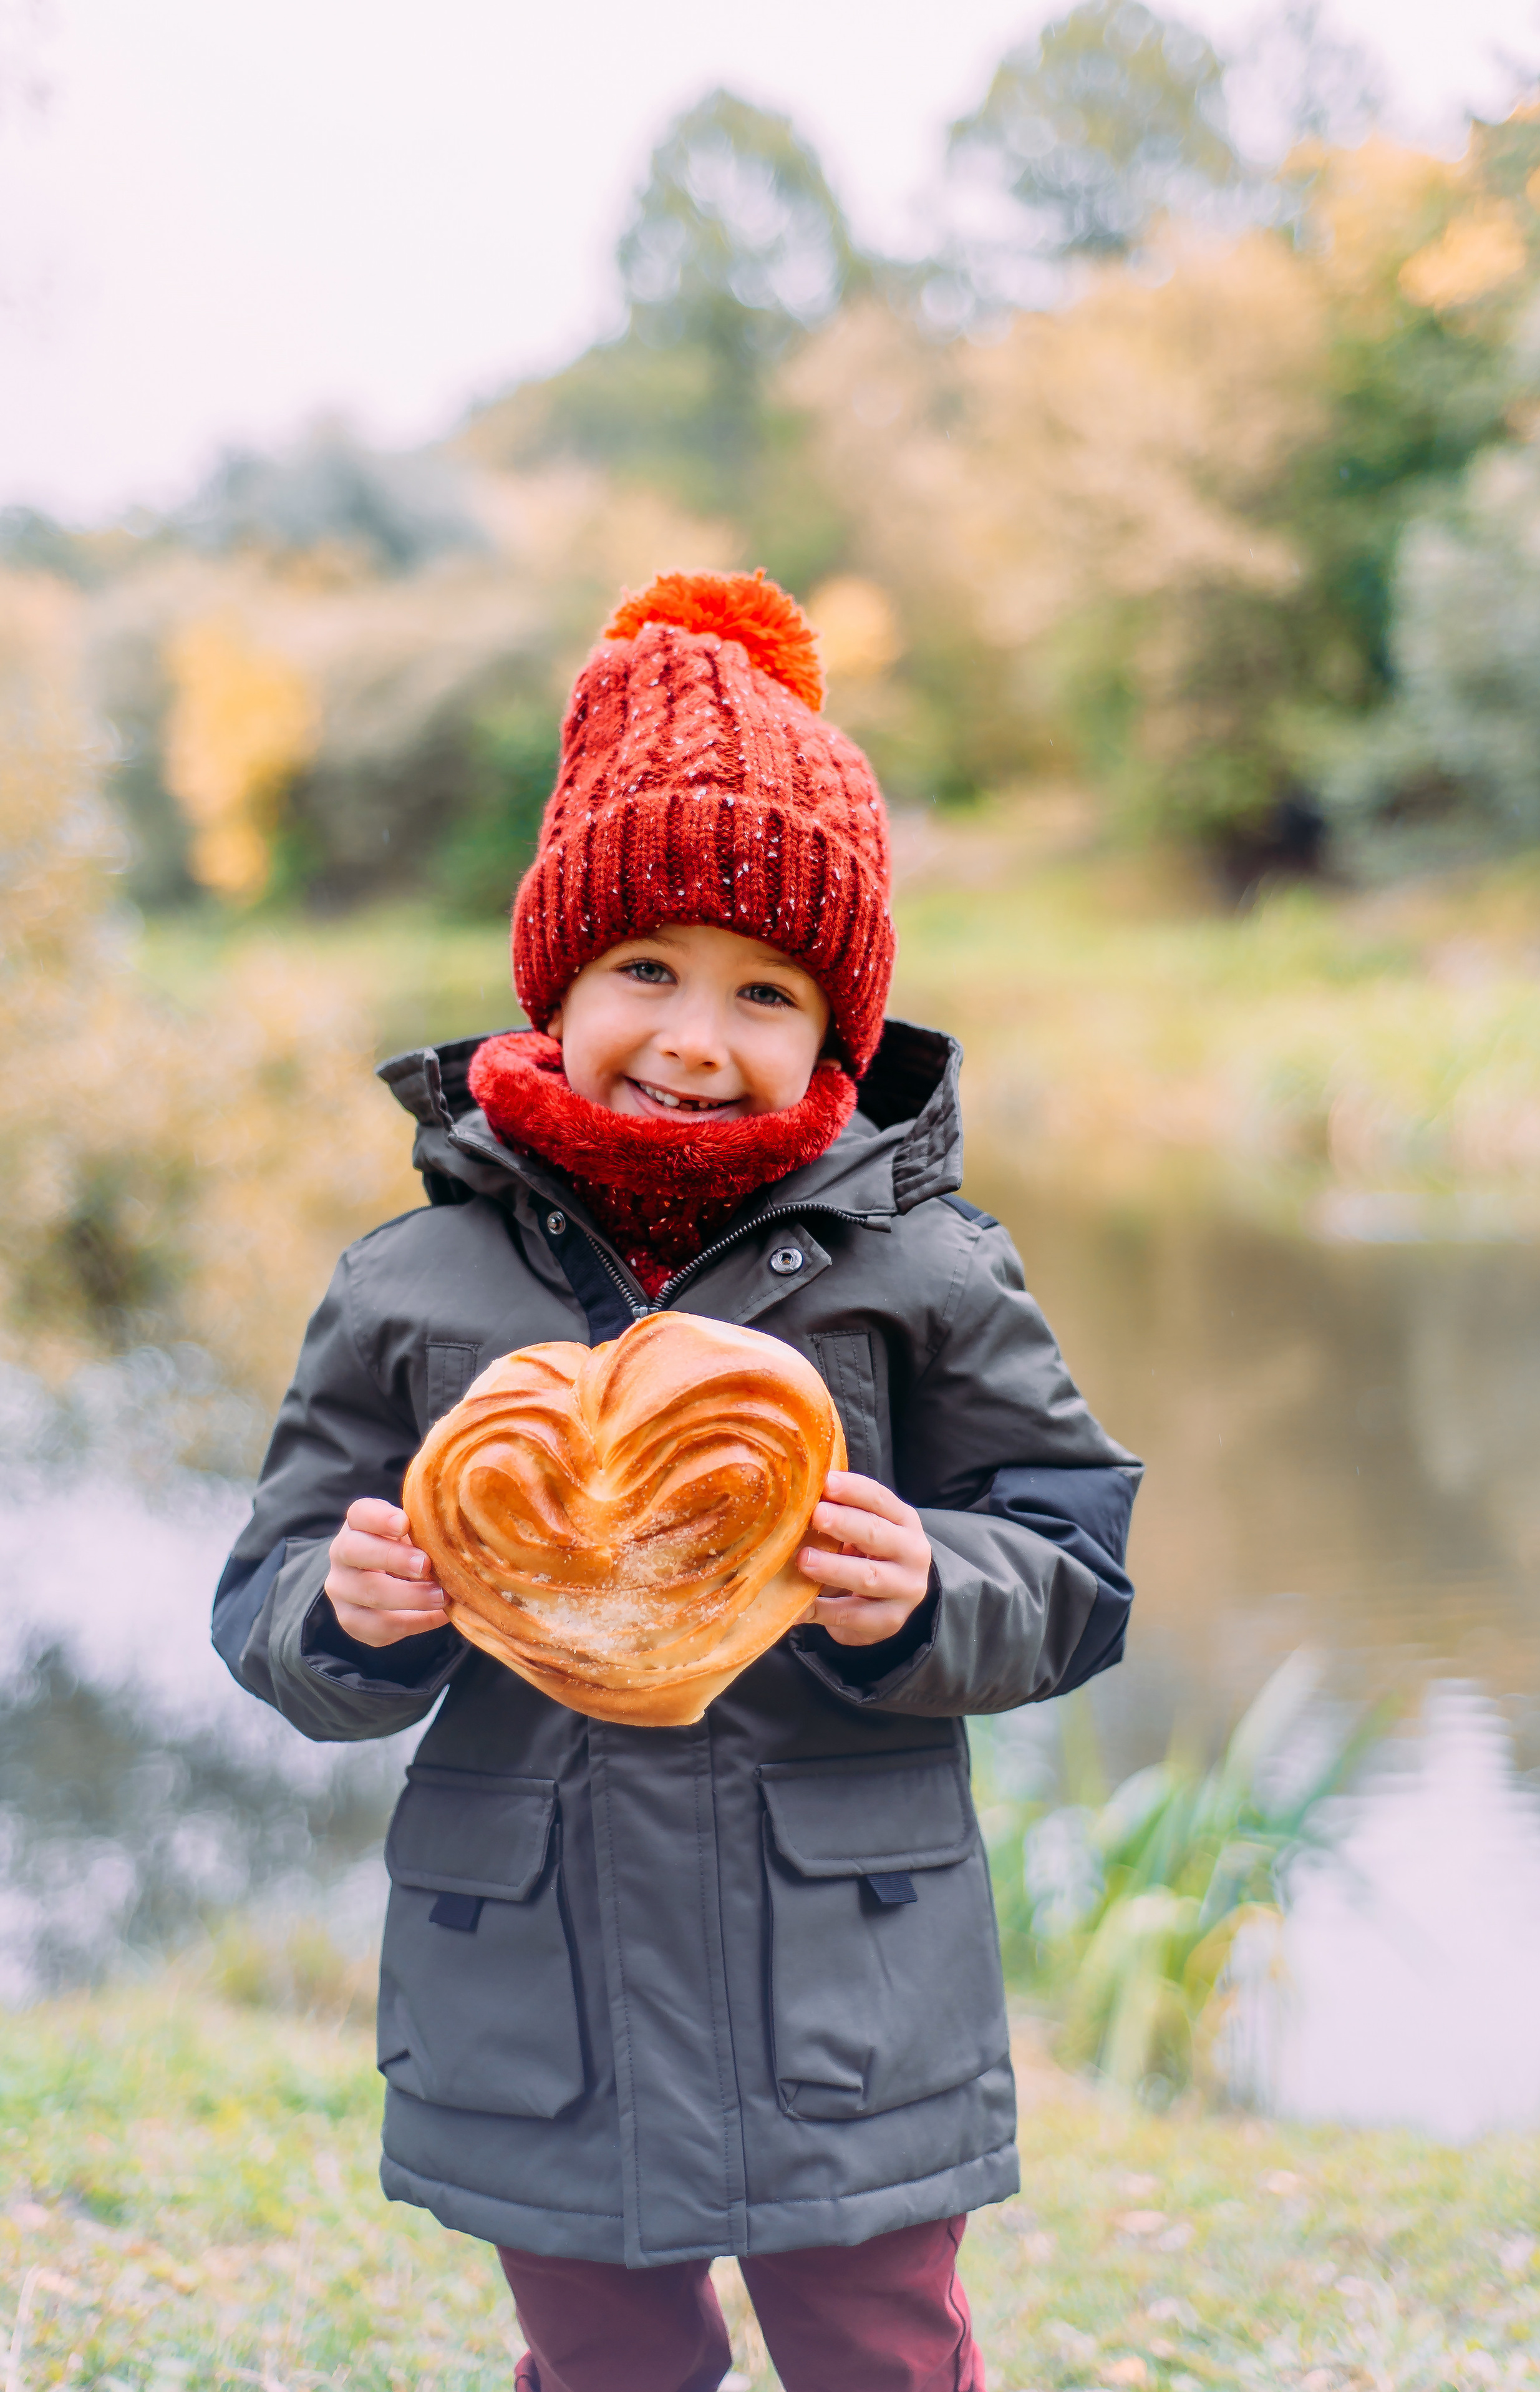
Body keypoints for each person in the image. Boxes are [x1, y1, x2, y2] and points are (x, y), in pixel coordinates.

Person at [213, 569, 1142, 2392]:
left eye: (765, 990)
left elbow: (1074, 1559)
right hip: (533, 1983)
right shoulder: (407, 1286)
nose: (695, 1039)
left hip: (845, 1982)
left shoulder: (924, 1269)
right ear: (557, 975)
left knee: (881, 2354)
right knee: (606, 2363)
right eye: (645, 967)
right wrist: (350, 1608)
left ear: (837, 1026)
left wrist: (927, 1590)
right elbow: (268, 1587)